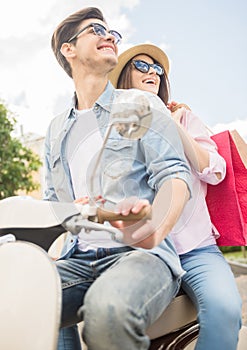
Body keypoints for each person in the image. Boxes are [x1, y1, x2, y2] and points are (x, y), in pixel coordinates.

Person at [44, 8, 192, 350]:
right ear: (69, 49)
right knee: (22, 295)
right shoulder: (55, 130)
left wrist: (153, 228)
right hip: (76, 259)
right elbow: (54, 203)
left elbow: (174, 174)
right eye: (97, 30)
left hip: (140, 256)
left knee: (108, 311)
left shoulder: (139, 104)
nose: (110, 36)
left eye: (113, 32)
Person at [108, 43, 242, 350]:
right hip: (141, 251)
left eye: (157, 69)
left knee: (225, 310)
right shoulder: (110, 131)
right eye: (142, 66)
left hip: (195, 250)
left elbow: (215, 169)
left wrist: (168, 121)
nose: (152, 72)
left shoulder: (183, 119)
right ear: (124, 76)